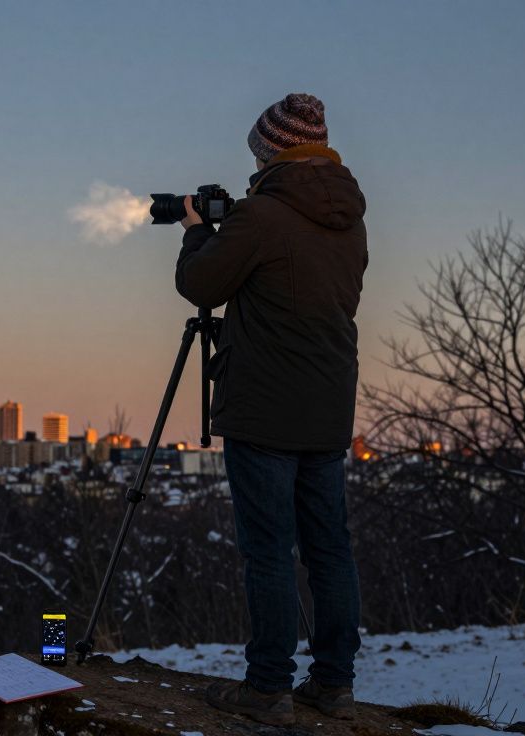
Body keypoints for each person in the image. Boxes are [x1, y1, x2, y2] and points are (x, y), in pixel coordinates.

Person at [175, 92, 367, 726]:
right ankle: (334, 684)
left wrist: (199, 230)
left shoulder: (261, 215)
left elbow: (202, 285)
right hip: (329, 402)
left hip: (264, 405)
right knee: (330, 548)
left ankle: (267, 689)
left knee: (268, 550)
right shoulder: (349, 217)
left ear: (269, 150)